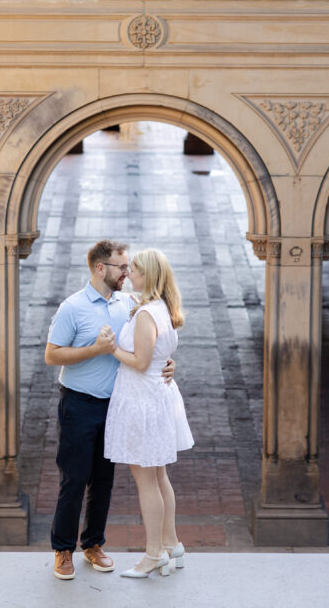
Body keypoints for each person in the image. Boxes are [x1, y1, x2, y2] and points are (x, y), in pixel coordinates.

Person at [45, 240, 175, 581]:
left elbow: (148, 342)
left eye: (129, 266)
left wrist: (167, 362)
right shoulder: (72, 308)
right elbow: (52, 355)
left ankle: (93, 544)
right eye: (121, 266)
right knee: (74, 478)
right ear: (100, 268)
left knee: (104, 480)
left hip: (117, 405)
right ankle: (62, 550)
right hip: (79, 403)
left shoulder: (129, 303)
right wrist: (95, 349)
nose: (126, 272)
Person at [104, 248, 194, 579]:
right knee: (158, 476)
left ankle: (153, 554)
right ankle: (172, 545)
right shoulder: (161, 308)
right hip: (157, 397)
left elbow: (141, 363)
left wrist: (112, 348)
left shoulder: (145, 314)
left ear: (149, 276)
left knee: (146, 480)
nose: (129, 274)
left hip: (142, 399)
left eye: (135, 270)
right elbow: (157, 356)